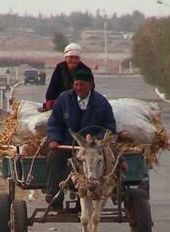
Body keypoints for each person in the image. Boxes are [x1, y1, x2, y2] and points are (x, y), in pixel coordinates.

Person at [45, 69, 116, 210]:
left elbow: (109, 126)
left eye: (82, 85)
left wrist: (97, 141)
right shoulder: (64, 99)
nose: (78, 88)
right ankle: (54, 194)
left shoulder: (101, 103)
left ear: (90, 85)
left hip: (92, 147)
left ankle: (88, 194)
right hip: (66, 143)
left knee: (96, 163)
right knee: (53, 156)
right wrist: (54, 139)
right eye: (76, 84)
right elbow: (54, 122)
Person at [41, 43, 94, 112]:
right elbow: (52, 88)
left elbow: (90, 90)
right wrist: (50, 102)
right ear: (66, 57)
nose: (73, 60)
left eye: (76, 58)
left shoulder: (85, 70)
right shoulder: (60, 68)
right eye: (71, 57)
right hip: (60, 101)